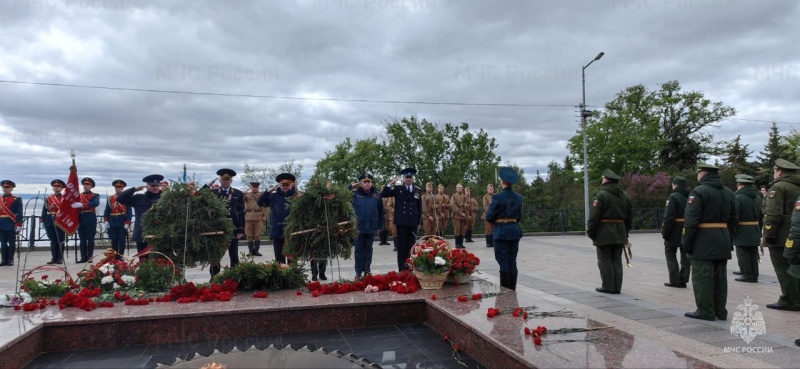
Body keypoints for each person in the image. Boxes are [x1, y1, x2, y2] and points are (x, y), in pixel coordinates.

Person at [682, 163, 737, 321]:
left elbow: (691, 221)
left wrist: (686, 241)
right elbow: (734, 219)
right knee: (720, 278)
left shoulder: (698, 192)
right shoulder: (728, 192)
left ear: (702, 173)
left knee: (702, 277)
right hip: (723, 238)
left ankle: (705, 310)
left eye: (698, 173)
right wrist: (729, 238)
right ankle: (720, 311)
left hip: (703, 240)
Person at [586, 169, 633, 295]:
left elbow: (593, 217)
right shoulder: (625, 196)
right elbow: (629, 218)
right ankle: (617, 287)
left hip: (604, 232)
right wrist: (625, 232)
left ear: (606, 180)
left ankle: (608, 286)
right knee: (616, 259)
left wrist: (590, 232)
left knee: (604, 260)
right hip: (620, 231)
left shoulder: (601, 195)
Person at [762, 158, 800, 311]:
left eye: (775, 171)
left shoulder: (778, 187)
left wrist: (769, 234)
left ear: (780, 171)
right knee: (795, 266)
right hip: (796, 232)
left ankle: (789, 299)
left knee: (783, 267)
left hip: (782, 233)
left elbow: (773, 213)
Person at [485, 167, 523, 290]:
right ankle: (512, 289)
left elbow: (489, 216)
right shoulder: (519, 197)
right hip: (514, 230)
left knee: (503, 261)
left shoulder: (496, 197)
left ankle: (506, 291)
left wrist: (497, 223)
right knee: (512, 259)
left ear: (502, 182)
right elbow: (519, 216)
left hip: (501, 232)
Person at [381, 167, 423, 272]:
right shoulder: (398, 189)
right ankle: (402, 269)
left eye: (410, 177)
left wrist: (419, 222)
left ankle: (411, 268)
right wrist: (392, 182)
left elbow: (419, 207)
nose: (408, 179)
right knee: (402, 248)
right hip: (402, 222)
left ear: (413, 178)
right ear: (403, 178)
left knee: (411, 247)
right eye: (406, 177)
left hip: (412, 222)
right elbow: (383, 194)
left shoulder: (417, 190)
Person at [205, 168, 245, 277]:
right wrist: (207, 185)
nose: (226, 182)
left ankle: (234, 277)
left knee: (234, 255)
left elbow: (241, 212)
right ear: (220, 180)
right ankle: (214, 277)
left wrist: (241, 229)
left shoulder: (238, 193)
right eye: (223, 180)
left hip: (233, 227)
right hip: (217, 228)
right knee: (216, 255)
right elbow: (198, 195)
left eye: (228, 180)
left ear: (231, 180)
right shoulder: (213, 192)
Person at [258, 172, 299, 265]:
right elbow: (260, 202)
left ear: (292, 184)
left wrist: (296, 189)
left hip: (293, 231)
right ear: (279, 184)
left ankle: (293, 277)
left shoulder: (296, 196)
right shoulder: (273, 195)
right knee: (279, 259)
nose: (284, 186)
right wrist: (268, 191)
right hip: (278, 230)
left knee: (292, 259)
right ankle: (280, 278)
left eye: (287, 184)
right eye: (282, 184)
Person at [118, 174, 163, 257]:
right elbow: (120, 198)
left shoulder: (164, 198)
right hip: (142, 234)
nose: (155, 187)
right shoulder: (139, 198)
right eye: (153, 185)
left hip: (160, 234)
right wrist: (134, 189)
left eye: (157, 185)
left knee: (160, 261)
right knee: (143, 261)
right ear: (147, 186)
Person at [352, 173, 384, 279]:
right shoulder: (354, 194)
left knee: (368, 250)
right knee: (358, 250)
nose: (367, 184)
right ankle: (358, 272)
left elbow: (381, 212)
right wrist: (351, 186)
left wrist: (380, 226)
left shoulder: (377, 195)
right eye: (364, 182)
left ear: (371, 183)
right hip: (358, 227)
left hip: (371, 226)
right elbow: (342, 194)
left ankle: (367, 270)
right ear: (360, 183)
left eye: (369, 182)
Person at [661, 176, 691, 288]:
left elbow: (669, 216)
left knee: (670, 253)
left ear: (675, 185)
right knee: (685, 255)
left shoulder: (673, 196)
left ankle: (674, 280)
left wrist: (665, 232)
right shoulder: (691, 195)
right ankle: (683, 279)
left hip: (674, 228)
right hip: (688, 227)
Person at [733, 175, 762, 283]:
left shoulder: (739, 198)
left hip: (742, 229)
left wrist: (733, 229)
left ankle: (747, 274)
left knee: (742, 253)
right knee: (753, 253)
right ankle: (754, 273)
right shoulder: (757, 197)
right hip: (755, 227)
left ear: (741, 186)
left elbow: (735, 215)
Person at [103, 180, 132, 260]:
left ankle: (121, 256)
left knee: (122, 240)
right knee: (114, 240)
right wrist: (106, 220)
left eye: (120, 187)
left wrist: (127, 222)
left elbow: (129, 211)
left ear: (123, 188)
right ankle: (115, 256)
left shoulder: (126, 198)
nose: (118, 189)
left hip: (122, 221)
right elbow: (107, 210)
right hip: (112, 221)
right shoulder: (110, 198)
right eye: (116, 187)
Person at [74, 177, 100, 263]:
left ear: (91, 186)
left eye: (88, 185)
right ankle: (83, 256)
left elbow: (95, 203)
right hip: (80, 218)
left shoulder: (95, 195)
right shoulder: (78, 195)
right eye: (84, 184)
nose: (86, 186)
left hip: (90, 217)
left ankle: (90, 256)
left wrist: (82, 205)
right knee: (82, 239)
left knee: (90, 238)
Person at [41, 179, 66, 264]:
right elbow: (44, 210)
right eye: (55, 186)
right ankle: (54, 258)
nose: (56, 188)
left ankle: (60, 258)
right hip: (49, 220)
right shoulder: (48, 198)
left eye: (58, 186)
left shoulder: (65, 199)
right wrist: (42, 221)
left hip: (60, 220)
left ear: (62, 188)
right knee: (53, 240)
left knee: (60, 239)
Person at [0, 180, 23, 267]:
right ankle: (3, 260)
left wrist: (19, 224)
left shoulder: (16, 199)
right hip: (1, 224)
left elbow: (19, 212)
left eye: (7, 188)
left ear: (11, 189)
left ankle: (10, 259)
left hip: (10, 223)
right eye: (4, 187)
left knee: (12, 243)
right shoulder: (0, 199)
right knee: (3, 243)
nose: (5, 189)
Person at [244, 181, 267, 257]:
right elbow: (240, 199)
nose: (254, 188)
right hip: (249, 216)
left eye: (256, 187)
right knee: (249, 235)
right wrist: (244, 192)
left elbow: (265, 206)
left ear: (258, 188)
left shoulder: (262, 195)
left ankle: (256, 251)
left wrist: (265, 215)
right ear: (251, 187)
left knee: (257, 235)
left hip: (259, 216)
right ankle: (251, 251)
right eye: (253, 187)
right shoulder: (247, 195)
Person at [450, 183, 468, 249]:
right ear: (456, 188)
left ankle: (461, 243)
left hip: (464, 216)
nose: (461, 189)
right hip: (457, 216)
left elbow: (467, 204)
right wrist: (460, 212)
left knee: (463, 230)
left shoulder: (464, 196)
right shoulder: (454, 196)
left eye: (461, 188)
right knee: (457, 230)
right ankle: (457, 244)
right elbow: (453, 205)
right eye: (459, 188)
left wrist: (466, 211)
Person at [482, 183, 495, 248]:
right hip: (487, 215)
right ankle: (488, 242)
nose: (491, 190)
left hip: (494, 216)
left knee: (493, 229)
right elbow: (485, 207)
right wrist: (491, 213)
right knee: (488, 229)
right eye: (490, 189)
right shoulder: (485, 197)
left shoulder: (495, 196)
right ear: (487, 190)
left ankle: (492, 242)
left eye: (492, 189)